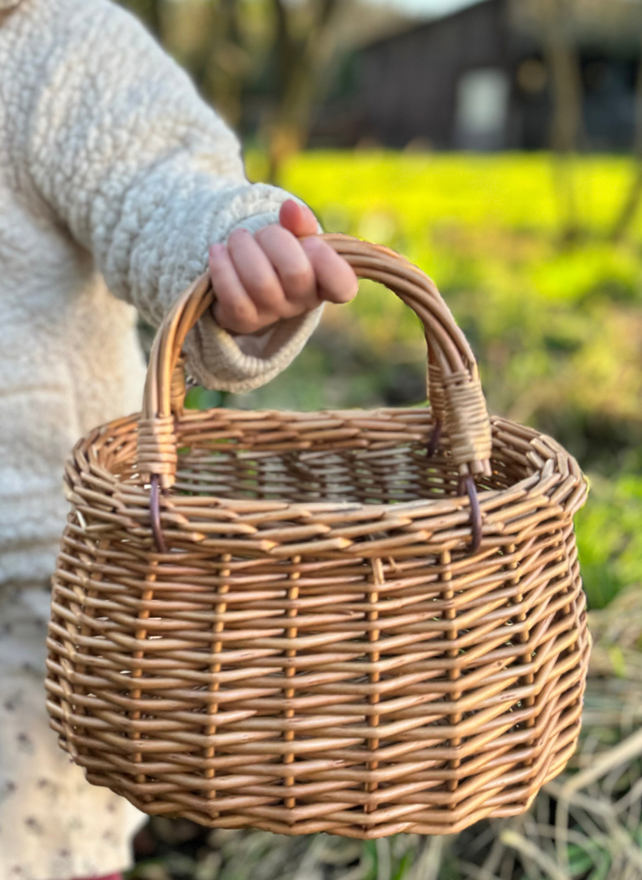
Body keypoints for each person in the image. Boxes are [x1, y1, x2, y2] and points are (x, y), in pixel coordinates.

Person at [0, 0, 358, 877]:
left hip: (40, 567)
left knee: (34, 843)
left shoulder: (57, 49)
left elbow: (157, 188)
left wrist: (227, 245)